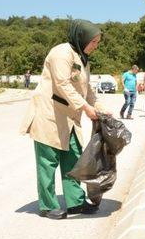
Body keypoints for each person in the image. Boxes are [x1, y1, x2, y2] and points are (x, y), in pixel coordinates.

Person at [19, 20, 104, 220]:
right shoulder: (61, 53)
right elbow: (63, 84)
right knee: (47, 162)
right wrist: (86, 108)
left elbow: (87, 89)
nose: (95, 46)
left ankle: (76, 201)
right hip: (49, 115)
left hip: (69, 117)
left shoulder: (83, 60)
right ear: (81, 37)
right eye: (93, 42)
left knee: (73, 158)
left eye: (97, 43)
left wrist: (100, 108)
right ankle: (47, 205)